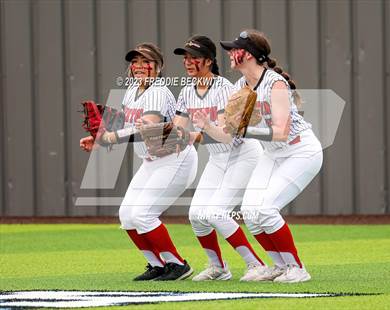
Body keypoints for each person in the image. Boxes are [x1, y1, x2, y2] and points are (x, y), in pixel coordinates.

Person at [197, 29, 323, 282]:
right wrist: (209, 127)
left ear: (251, 54)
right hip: (273, 154)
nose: (231, 53)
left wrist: (243, 128)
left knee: (265, 208)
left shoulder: (275, 83)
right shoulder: (239, 87)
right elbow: (228, 134)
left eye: (236, 48)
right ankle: (278, 266)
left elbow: (281, 132)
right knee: (250, 211)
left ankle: (297, 268)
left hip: (300, 151)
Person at [80, 43, 198, 281]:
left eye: (146, 62)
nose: (139, 66)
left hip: (175, 159)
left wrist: (109, 138)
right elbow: (125, 124)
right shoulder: (132, 89)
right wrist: (99, 139)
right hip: (152, 160)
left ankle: (177, 265)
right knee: (127, 215)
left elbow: (146, 128)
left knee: (143, 213)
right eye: (135, 62)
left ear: (158, 66)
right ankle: (157, 265)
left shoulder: (158, 91)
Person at [173, 35, 267, 281]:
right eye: (186, 57)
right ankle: (219, 267)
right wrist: (139, 131)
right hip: (217, 159)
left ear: (209, 60)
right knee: (196, 215)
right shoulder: (185, 91)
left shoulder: (225, 87)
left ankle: (256, 265)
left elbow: (226, 137)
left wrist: (194, 133)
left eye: (194, 57)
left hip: (242, 154)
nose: (188, 62)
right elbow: (177, 130)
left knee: (216, 212)